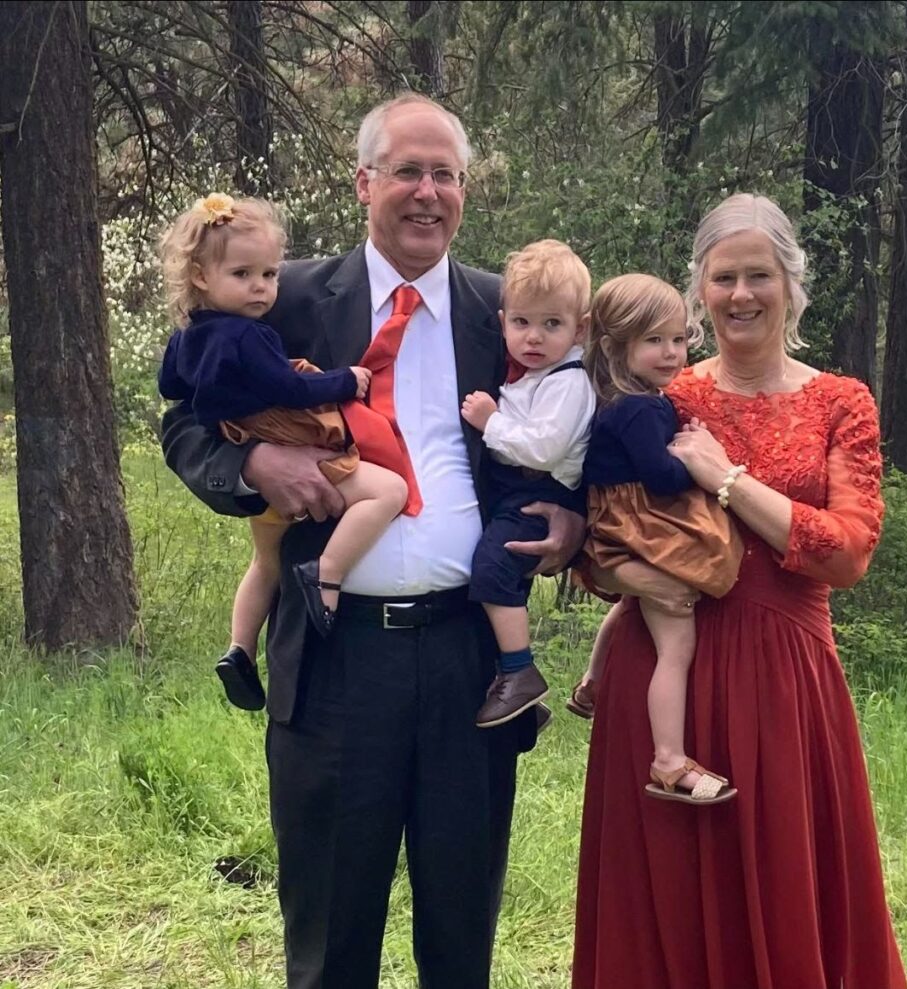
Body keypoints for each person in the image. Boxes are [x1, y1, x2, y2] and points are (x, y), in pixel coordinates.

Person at [161, 94, 583, 989]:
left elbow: (575, 429)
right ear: (365, 184)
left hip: (476, 659)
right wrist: (255, 467)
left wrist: (576, 520)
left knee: (461, 935)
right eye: (407, 172)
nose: (427, 193)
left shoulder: (504, 312)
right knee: (329, 938)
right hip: (334, 659)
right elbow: (185, 420)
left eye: (445, 175)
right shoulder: (280, 294)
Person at [573, 194, 907, 988]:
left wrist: (727, 480)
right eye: (723, 277)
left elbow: (848, 552)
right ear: (700, 288)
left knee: (784, 881)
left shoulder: (840, 402)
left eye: (759, 274)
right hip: (663, 674)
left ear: (791, 284)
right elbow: (595, 543)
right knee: (666, 903)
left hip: (786, 683)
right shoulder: (665, 397)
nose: (741, 294)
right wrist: (635, 575)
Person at [157, 194, 408, 712]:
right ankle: (328, 573)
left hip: (239, 432)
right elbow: (288, 390)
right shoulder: (249, 333)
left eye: (270, 274)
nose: (263, 288)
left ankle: (239, 649)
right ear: (201, 275)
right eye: (244, 274)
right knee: (389, 491)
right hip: (285, 440)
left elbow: (172, 387)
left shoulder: (189, 335)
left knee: (264, 563)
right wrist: (344, 382)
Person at [571, 273, 743, 803]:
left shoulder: (610, 399)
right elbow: (661, 477)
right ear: (614, 346)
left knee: (634, 599)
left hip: (616, 521)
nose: (670, 353)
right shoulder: (641, 406)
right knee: (677, 641)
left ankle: (593, 681)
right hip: (640, 521)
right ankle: (669, 758)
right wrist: (696, 459)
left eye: (678, 338)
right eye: (654, 341)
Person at [460, 239, 595, 728]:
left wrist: (489, 422)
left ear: (579, 330)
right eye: (522, 323)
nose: (534, 337)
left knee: (494, 566)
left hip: (543, 493)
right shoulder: (534, 375)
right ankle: (522, 701)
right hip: (515, 486)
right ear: (503, 323)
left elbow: (543, 450)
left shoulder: (568, 382)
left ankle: (520, 672)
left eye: (551, 324)